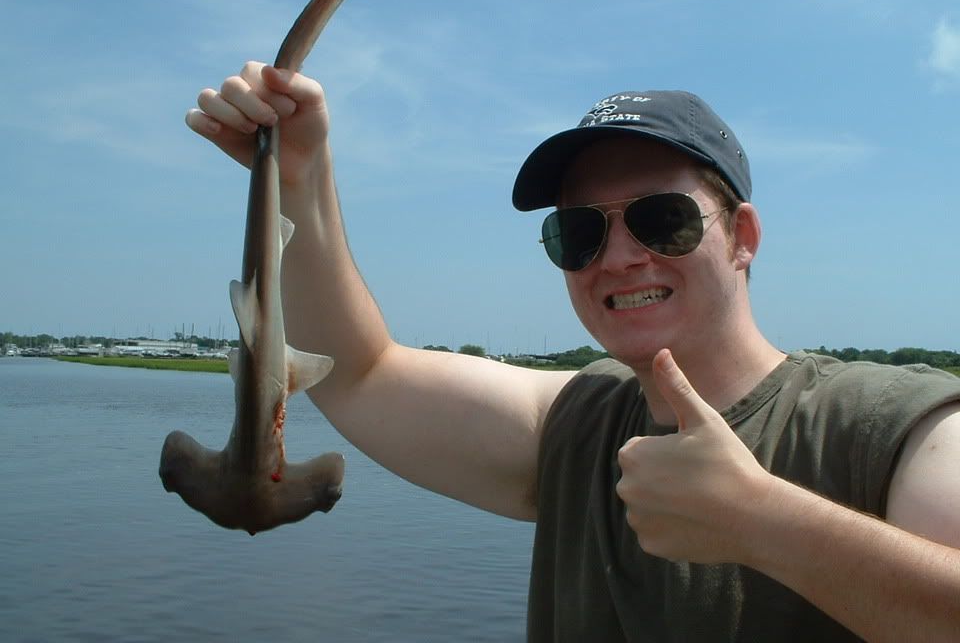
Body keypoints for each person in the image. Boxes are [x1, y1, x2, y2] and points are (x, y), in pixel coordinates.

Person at [187, 62, 960, 642]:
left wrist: (763, 523)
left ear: (743, 237)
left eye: (662, 220)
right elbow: (358, 371)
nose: (619, 257)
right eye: (580, 232)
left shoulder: (885, 426)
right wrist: (301, 173)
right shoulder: (577, 427)